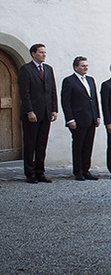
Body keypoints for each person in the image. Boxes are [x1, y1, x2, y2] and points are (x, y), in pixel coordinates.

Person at [18, 43, 57, 183]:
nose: (44, 55)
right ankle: (30, 173)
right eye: (41, 52)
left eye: (45, 52)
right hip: (32, 113)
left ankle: (40, 172)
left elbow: (52, 90)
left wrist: (54, 109)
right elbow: (25, 93)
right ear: (33, 54)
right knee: (30, 143)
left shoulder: (48, 69)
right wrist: (29, 111)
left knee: (41, 143)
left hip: (46, 113)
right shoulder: (26, 70)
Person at [61, 56, 101, 181]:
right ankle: (78, 171)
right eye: (83, 66)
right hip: (78, 119)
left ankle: (86, 169)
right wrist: (70, 119)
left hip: (90, 118)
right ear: (75, 67)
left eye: (86, 66)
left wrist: (97, 115)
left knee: (88, 145)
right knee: (78, 145)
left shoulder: (90, 80)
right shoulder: (69, 81)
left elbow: (94, 99)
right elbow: (66, 102)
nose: (85, 68)